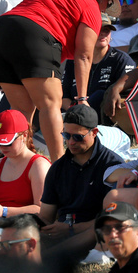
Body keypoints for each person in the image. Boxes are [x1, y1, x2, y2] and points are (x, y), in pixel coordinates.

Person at [0, 0, 123, 163]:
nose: (105, 10)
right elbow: (84, 55)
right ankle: (60, 165)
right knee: (50, 105)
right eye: (108, 4)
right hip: (35, 32)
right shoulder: (91, 5)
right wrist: (82, 98)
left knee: (22, 110)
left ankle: (20, 166)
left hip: (0, 30)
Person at [37, 103, 123, 257]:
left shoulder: (112, 165)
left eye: (77, 137)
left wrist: (70, 229)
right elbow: (46, 216)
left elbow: (113, 218)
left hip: (96, 235)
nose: (70, 142)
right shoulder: (57, 168)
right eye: (66, 135)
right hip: (60, 234)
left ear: (94, 132)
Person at [0, 110, 50, 222]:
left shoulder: (38, 165)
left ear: (24, 135)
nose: (2, 147)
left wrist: (4, 211)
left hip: (24, 227)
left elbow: (42, 211)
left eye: (7, 142)